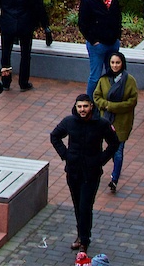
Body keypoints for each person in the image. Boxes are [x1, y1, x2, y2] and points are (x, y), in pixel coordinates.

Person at [49, 94, 119, 253]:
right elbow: (55, 136)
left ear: (91, 107)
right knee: (77, 205)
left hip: (91, 173)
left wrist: (101, 160)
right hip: (73, 171)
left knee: (85, 206)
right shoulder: (69, 121)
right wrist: (65, 155)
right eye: (79, 106)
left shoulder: (101, 124)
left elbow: (114, 143)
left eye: (85, 106)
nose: (82, 109)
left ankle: (84, 241)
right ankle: (81, 235)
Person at [93, 51, 139, 193]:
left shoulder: (130, 80)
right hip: (105, 121)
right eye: (112, 62)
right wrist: (104, 105)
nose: (115, 65)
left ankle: (115, 178)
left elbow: (132, 101)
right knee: (100, 148)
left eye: (118, 63)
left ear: (122, 64)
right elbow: (96, 96)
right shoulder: (104, 80)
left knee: (118, 151)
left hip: (122, 122)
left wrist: (111, 106)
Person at [78, 0, 121, 96]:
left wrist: (118, 37)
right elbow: (83, 24)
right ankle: (90, 103)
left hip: (113, 44)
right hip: (98, 46)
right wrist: (94, 41)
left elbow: (118, 18)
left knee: (112, 75)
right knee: (95, 77)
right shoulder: (88, 0)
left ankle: (109, 99)